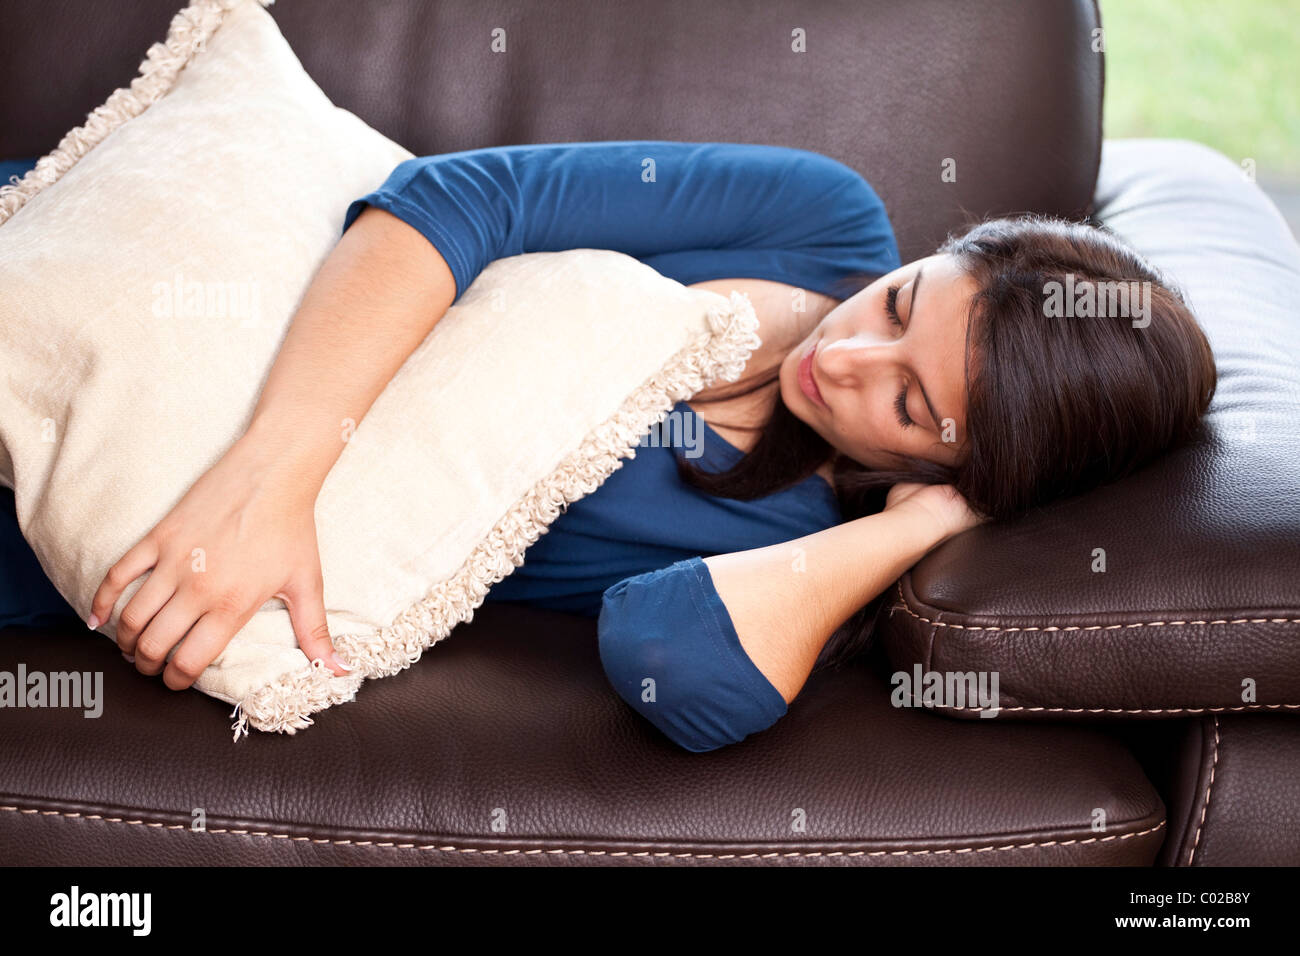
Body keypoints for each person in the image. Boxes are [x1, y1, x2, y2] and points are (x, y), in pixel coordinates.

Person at [85, 141, 1217, 751]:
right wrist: (270, 472)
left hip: (97, 500)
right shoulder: (820, 222)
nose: (847, 354)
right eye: (898, 300)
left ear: (962, 471)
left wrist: (920, 523)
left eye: (912, 408)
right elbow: (464, 196)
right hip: (167, 319)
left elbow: (669, 658)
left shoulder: (800, 539)